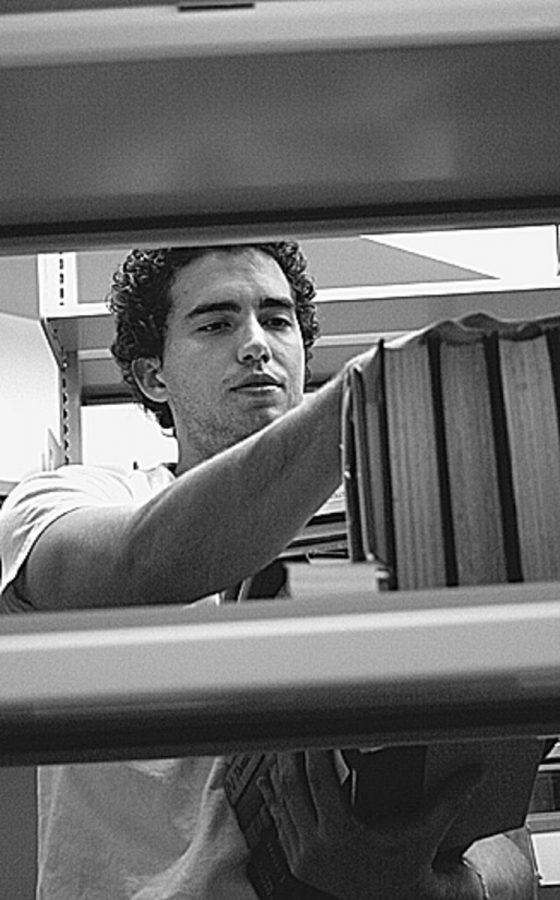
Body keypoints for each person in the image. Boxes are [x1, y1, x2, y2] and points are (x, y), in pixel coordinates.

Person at [0, 242, 538, 899]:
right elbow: (139, 564)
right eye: (216, 323)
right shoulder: (75, 499)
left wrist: (427, 884)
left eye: (278, 321)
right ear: (151, 376)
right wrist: (367, 399)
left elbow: (507, 846)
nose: (256, 344)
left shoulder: (376, 537)